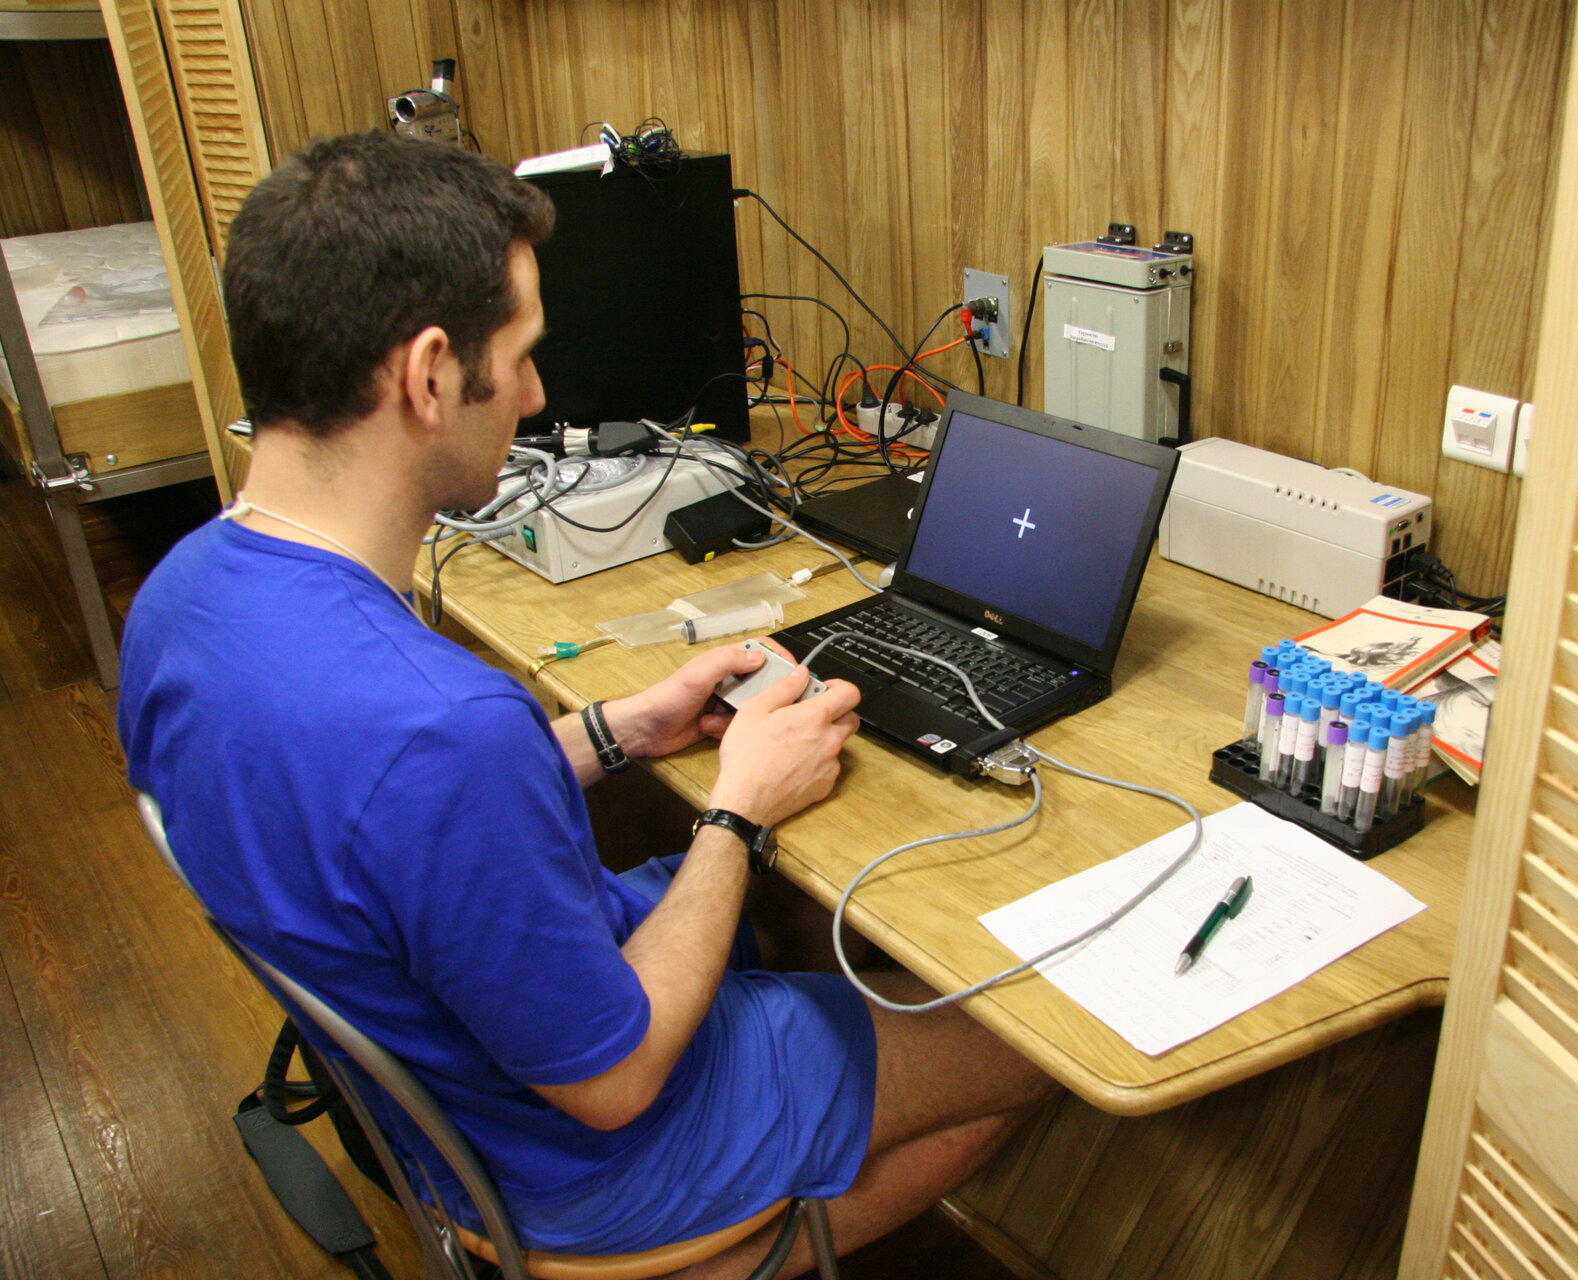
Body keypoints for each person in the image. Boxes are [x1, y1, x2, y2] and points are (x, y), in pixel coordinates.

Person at [117, 132, 1053, 1278]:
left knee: (814, 918)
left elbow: (375, 823)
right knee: (1038, 1037)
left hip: (450, 1107)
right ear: (423, 377)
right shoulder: (439, 725)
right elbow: (612, 1082)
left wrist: (623, 729)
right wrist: (737, 809)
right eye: (518, 355)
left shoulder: (182, 597)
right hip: (589, 1157)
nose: (536, 392)